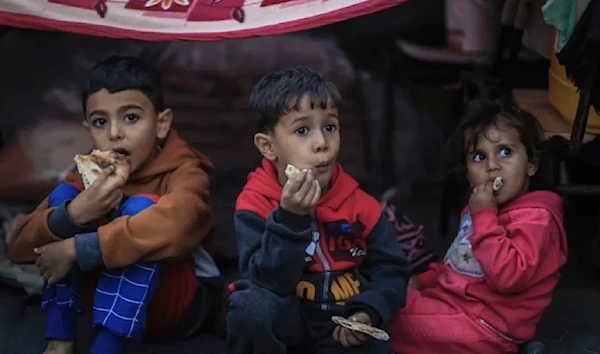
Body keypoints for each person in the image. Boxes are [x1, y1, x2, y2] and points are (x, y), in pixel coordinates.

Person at [9, 56, 222, 354]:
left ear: (161, 124)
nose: (114, 133)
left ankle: (108, 348)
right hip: (98, 306)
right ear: (88, 129)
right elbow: (19, 246)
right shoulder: (88, 174)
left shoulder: (186, 171)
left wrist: (76, 249)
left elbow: (175, 228)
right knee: (64, 198)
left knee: (141, 208)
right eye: (100, 122)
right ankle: (60, 340)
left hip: (175, 308)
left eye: (131, 118)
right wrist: (74, 214)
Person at [226, 67, 411, 354]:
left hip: (340, 324)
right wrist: (289, 219)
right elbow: (263, 283)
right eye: (302, 130)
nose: (322, 143)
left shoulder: (361, 204)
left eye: (330, 127)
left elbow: (392, 271)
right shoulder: (255, 203)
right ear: (268, 146)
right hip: (287, 318)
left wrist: (368, 312)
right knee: (248, 310)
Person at [390, 99, 568, 353]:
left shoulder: (536, 219)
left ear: (531, 164)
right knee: (392, 296)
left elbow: (508, 277)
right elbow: (459, 261)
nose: (492, 166)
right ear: (467, 173)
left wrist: (484, 215)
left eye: (506, 152)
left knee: (386, 308)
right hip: (455, 311)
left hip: (485, 327)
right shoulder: (479, 209)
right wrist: (424, 280)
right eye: (479, 156)